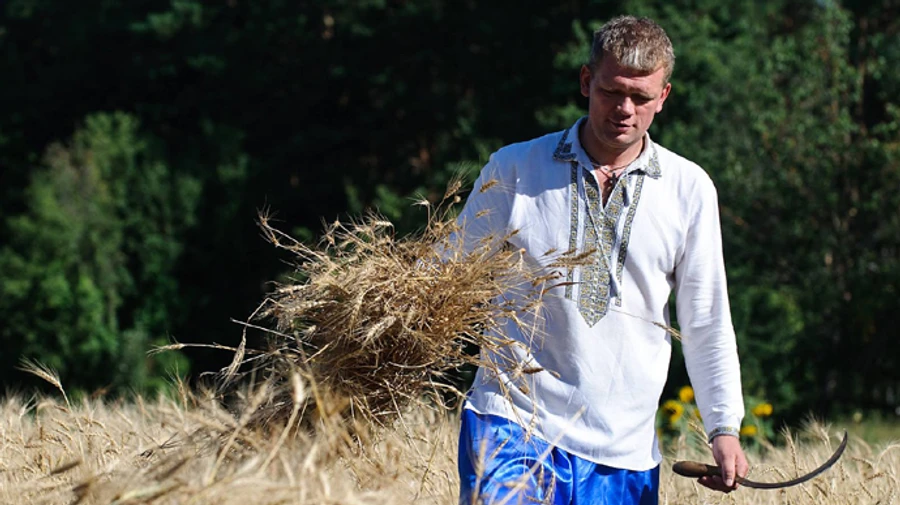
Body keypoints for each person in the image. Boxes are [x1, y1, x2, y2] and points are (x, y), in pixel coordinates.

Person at [454, 15, 748, 505]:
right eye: (612, 91)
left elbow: (706, 320)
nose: (625, 110)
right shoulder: (515, 169)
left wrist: (723, 426)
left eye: (641, 97)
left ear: (664, 97)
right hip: (512, 422)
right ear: (587, 82)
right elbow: (449, 273)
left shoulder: (688, 189)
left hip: (623, 450)